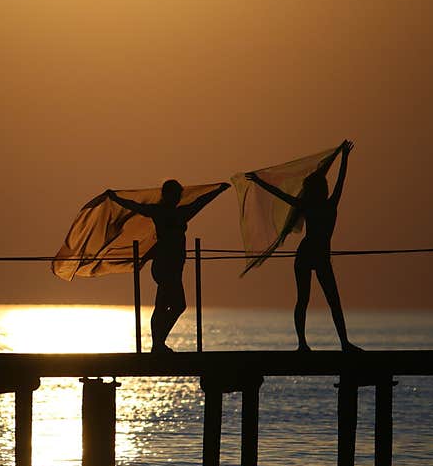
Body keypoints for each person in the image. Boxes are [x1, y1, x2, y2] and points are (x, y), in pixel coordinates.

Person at [245, 140, 361, 352]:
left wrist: (344, 159)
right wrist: (344, 158)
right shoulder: (325, 204)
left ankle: (332, 343)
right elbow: (338, 182)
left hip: (314, 254)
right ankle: (311, 344)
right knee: (312, 299)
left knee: (318, 299)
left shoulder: (317, 204)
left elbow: (282, 193)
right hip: (310, 254)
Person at [106, 180, 230, 353]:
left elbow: (200, 202)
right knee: (176, 305)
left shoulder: (181, 213)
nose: (177, 198)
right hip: (165, 266)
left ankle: (158, 344)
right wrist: (115, 198)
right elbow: (134, 206)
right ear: (166, 195)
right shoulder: (161, 212)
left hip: (174, 266)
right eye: (175, 195)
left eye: (179, 195)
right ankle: (158, 344)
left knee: (164, 305)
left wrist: (218, 190)